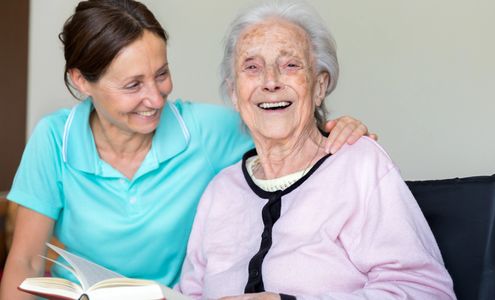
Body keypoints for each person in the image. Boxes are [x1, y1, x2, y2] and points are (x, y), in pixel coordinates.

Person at [0, 1, 373, 299]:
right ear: (83, 82)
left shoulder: (207, 132)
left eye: (161, 74)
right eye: (133, 85)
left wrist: (337, 130)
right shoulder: (53, 138)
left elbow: (288, 131)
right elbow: (27, 260)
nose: (154, 98)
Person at [177, 1, 456, 299]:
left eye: (290, 65)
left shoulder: (358, 166)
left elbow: (426, 291)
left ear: (319, 86)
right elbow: (189, 294)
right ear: (234, 92)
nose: (270, 81)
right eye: (252, 67)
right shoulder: (220, 191)